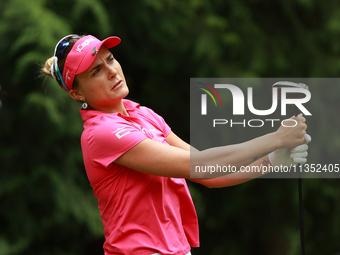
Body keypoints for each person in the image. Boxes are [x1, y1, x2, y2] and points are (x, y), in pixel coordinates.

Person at [41, 34, 310, 255]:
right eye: (96, 71)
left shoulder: (143, 114)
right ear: (77, 93)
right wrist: (276, 138)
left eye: (110, 59)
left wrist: (273, 160)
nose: (112, 71)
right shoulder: (101, 133)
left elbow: (209, 175)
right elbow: (201, 166)